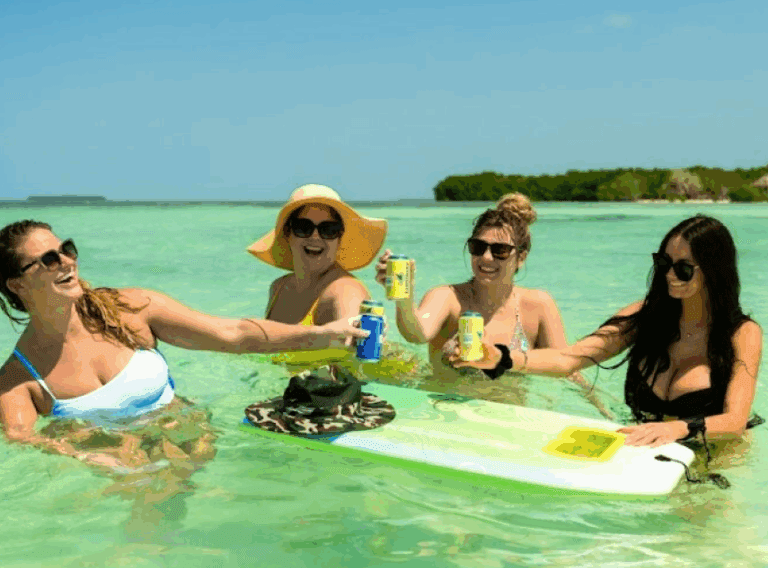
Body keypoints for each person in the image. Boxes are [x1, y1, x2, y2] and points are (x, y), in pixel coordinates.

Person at [0, 219, 367, 466]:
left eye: (66, 249)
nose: (66, 261)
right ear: (17, 284)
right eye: (49, 259)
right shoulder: (18, 379)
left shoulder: (129, 310)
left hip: (196, 447)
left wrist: (322, 334)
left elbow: (232, 334)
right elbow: (20, 438)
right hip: (125, 471)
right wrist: (82, 456)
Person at [451, 214, 763, 448]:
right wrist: (501, 358)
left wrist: (676, 429)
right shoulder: (643, 317)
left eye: (682, 268)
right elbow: (569, 359)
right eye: (663, 262)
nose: (669, 275)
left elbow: (735, 421)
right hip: (645, 454)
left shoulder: (742, 333)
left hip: (714, 464)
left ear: (714, 271)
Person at [374, 193, 601, 409]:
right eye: (478, 247)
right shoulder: (447, 297)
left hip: (509, 417)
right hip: (445, 412)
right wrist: (404, 298)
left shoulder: (538, 306)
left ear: (521, 258)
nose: (486, 257)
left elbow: (566, 368)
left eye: (500, 250)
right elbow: (416, 334)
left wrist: (605, 411)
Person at [248, 184, 417, 377]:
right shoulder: (279, 287)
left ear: (339, 238)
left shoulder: (344, 291)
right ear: (288, 234)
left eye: (328, 229)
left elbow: (354, 362)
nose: (315, 236)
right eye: (303, 227)